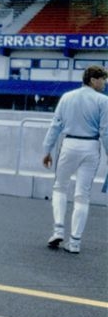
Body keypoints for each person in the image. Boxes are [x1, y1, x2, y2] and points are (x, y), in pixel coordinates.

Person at [42, 64, 108, 254]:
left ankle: (58, 230)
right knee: (82, 194)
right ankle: (75, 242)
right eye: (103, 79)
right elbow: (105, 131)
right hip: (91, 146)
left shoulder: (67, 97)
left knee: (60, 187)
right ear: (93, 80)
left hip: (69, 144)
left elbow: (55, 125)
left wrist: (47, 150)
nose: (105, 82)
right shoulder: (103, 101)